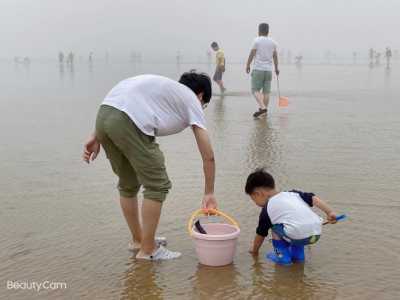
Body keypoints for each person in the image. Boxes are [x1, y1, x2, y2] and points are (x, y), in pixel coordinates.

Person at [82, 71, 218, 261]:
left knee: (128, 183)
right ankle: (148, 249)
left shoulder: (164, 90)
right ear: (201, 94)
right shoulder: (191, 99)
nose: (201, 108)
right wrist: (209, 192)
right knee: (157, 184)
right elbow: (208, 156)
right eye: (204, 104)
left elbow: (121, 100)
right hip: (127, 120)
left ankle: (139, 240)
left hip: (104, 115)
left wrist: (97, 134)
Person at [245, 169, 337, 265]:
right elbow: (314, 199)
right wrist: (330, 212)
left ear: (258, 194)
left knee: (274, 226)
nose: (255, 203)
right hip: (316, 233)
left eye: (253, 199)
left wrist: (254, 250)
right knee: (294, 225)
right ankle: (298, 257)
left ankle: (282, 257)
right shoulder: (294, 194)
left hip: (297, 235)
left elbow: (261, 234)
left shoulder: (267, 208)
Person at [246, 23, 279, 118]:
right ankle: (264, 112)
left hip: (258, 69)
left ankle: (263, 108)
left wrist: (247, 65)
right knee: (266, 92)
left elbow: (252, 53)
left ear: (259, 30)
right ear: (268, 31)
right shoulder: (273, 42)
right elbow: (275, 56)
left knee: (255, 90)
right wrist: (276, 68)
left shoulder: (257, 41)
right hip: (268, 71)